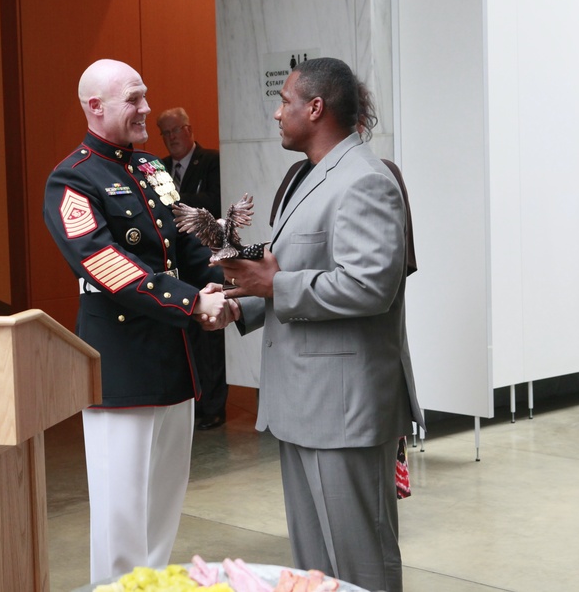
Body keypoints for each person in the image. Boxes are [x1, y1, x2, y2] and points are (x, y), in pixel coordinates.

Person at [213, 57, 424, 592]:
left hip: (344, 410)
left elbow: (369, 287)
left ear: (315, 107)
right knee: (316, 567)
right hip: (304, 403)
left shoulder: (365, 181)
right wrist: (243, 302)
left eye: (285, 102)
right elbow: (292, 271)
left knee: (360, 564)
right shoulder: (310, 175)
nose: (277, 113)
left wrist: (272, 287)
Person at [42, 59, 225, 583]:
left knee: (162, 511)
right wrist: (191, 304)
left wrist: (221, 283)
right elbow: (105, 263)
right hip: (121, 371)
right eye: (134, 99)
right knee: (121, 517)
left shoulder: (151, 169)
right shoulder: (72, 178)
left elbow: (186, 246)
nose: (147, 108)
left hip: (173, 364)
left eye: (145, 96)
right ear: (95, 107)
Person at [157, 107, 228, 430]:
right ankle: (192, 403)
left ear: (188, 129)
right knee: (183, 337)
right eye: (165, 133)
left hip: (206, 259)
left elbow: (214, 200)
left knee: (210, 339)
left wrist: (175, 203)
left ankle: (213, 406)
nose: (171, 138)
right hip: (175, 266)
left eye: (175, 131)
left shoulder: (212, 160)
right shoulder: (157, 168)